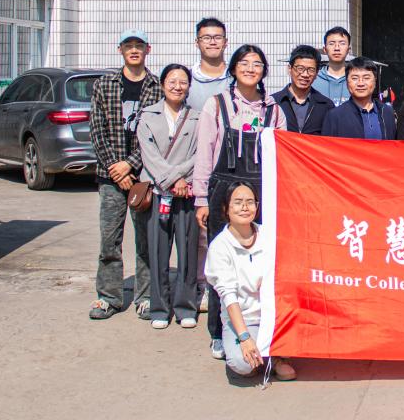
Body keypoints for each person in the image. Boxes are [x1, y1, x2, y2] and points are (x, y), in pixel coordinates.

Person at [193, 45, 286, 359]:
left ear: (264, 71)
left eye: (257, 64)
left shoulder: (274, 111)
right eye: (244, 63)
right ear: (233, 68)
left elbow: (283, 156)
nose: (250, 68)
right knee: (223, 262)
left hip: (262, 192)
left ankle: (266, 326)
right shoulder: (217, 104)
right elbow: (204, 153)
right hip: (224, 189)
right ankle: (218, 332)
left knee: (264, 262)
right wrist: (201, 198)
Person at [89, 30, 163, 320]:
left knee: (145, 240)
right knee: (109, 240)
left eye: (139, 45)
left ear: (147, 50)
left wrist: (130, 165)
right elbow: (97, 129)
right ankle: (109, 297)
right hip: (110, 178)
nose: (134, 50)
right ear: (119, 49)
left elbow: (156, 135)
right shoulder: (104, 84)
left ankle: (145, 297)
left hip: (142, 177)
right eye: (128, 45)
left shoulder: (156, 87)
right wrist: (115, 167)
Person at [206, 181, 296, 381]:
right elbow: (229, 296)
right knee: (242, 364)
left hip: (274, 315)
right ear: (226, 208)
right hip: (244, 320)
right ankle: (264, 355)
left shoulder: (268, 235)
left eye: (250, 202)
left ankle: (274, 357)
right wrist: (245, 337)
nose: (245, 207)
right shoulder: (220, 247)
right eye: (238, 202)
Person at [137, 64, 201, 329]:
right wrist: (173, 179)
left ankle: (186, 307)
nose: (177, 86)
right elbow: (149, 155)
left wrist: (181, 180)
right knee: (158, 253)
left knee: (188, 253)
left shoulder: (198, 117)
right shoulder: (147, 116)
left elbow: (200, 155)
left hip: (186, 193)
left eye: (183, 82)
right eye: (172, 81)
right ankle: (159, 308)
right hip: (158, 192)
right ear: (163, 84)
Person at [321, 57, 396, 139]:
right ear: (347, 82)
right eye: (355, 78)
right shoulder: (335, 116)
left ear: (375, 81)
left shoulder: (387, 112)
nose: (361, 83)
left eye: (366, 78)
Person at [271, 44, 334, 135]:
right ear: (289, 69)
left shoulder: (326, 105)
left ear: (316, 73)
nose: (305, 74)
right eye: (300, 68)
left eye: (311, 70)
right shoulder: (274, 102)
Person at [187, 17, 231, 111]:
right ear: (197, 43)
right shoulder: (186, 80)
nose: (212, 42)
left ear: (225, 42)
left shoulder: (237, 78)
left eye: (218, 38)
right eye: (206, 38)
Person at [312, 26, 352, 106]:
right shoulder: (313, 79)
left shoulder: (356, 79)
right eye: (331, 43)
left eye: (342, 43)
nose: (337, 48)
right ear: (325, 49)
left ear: (348, 49)